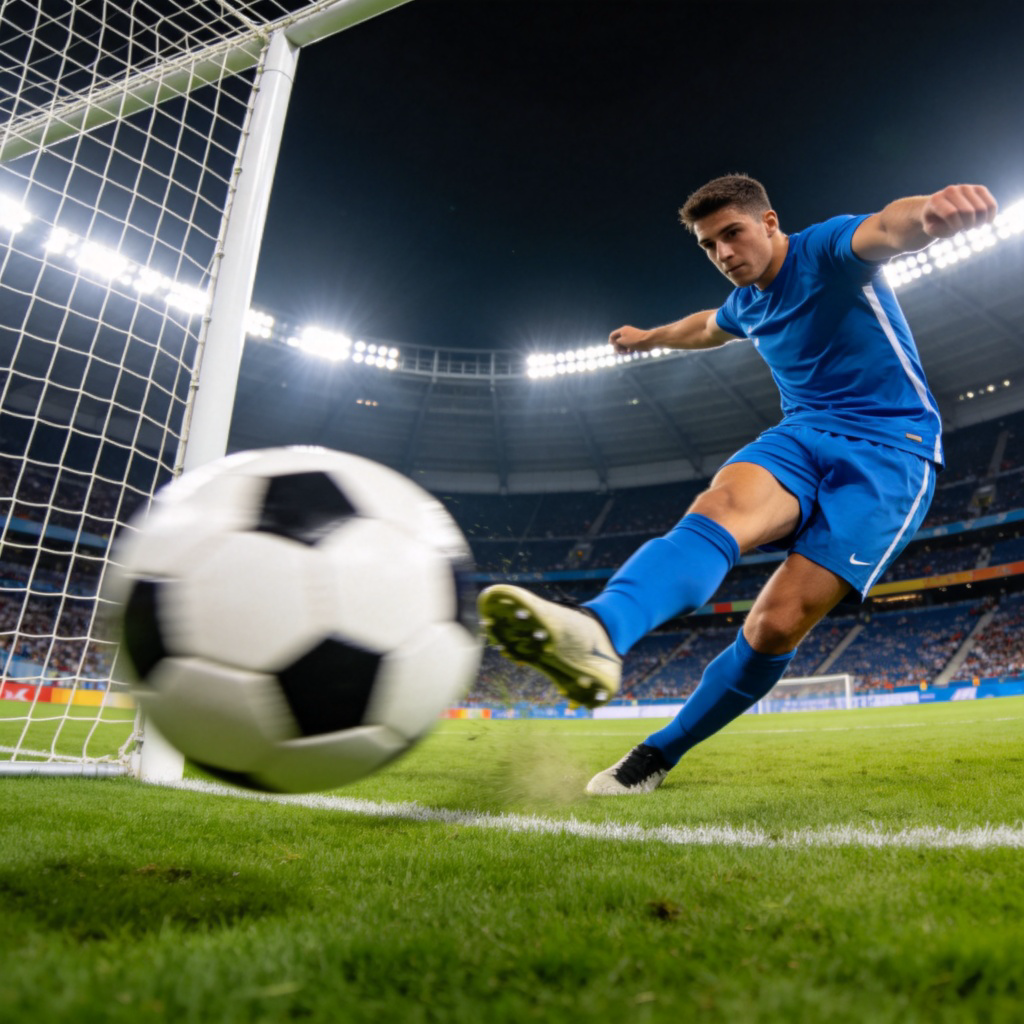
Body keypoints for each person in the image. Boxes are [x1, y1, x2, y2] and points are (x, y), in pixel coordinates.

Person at [478, 174, 998, 795]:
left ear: (770, 223)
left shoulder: (825, 250)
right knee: (719, 507)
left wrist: (932, 215)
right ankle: (600, 629)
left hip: (892, 453)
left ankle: (659, 752)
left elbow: (887, 226)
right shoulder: (747, 305)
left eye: (733, 234)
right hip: (803, 434)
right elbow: (704, 327)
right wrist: (649, 338)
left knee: (773, 626)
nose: (724, 253)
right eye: (708, 245)